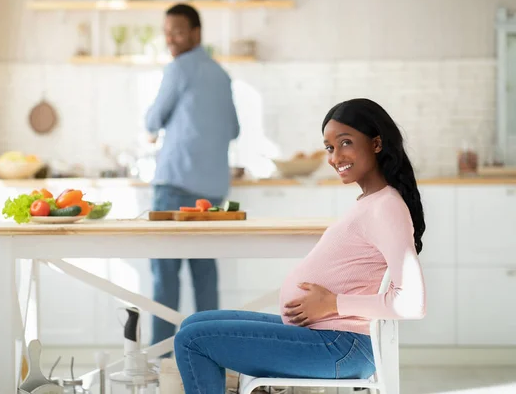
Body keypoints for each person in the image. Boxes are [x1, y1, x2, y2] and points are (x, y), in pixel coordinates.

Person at [173, 98, 427, 393]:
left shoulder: (386, 207)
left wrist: (333, 303)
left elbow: (412, 302)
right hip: (329, 339)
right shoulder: (372, 202)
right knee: (194, 323)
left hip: (340, 347)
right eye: (330, 148)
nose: (335, 157)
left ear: (377, 143)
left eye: (345, 142)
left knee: (192, 340)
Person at [145, 3, 240, 347]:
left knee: (165, 278)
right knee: (204, 275)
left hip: (174, 186)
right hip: (212, 193)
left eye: (178, 31)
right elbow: (233, 129)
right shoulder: (221, 74)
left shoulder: (179, 69)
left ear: (197, 33)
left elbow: (152, 120)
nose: (170, 38)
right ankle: (208, 352)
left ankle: (160, 360)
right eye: (167, 31)